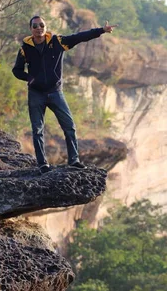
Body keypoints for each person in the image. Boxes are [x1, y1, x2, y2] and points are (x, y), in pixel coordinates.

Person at [12, 15, 117, 174]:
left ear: (45, 27)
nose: (39, 28)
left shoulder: (57, 42)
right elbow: (16, 70)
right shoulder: (25, 48)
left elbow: (80, 37)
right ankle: (42, 164)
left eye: (42, 25)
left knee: (69, 127)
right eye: (35, 26)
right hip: (36, 94)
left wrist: (101, 30)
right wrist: (29, 78)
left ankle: (74, 160)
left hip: (55, 92)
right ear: (31, 29)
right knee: (37, 130)